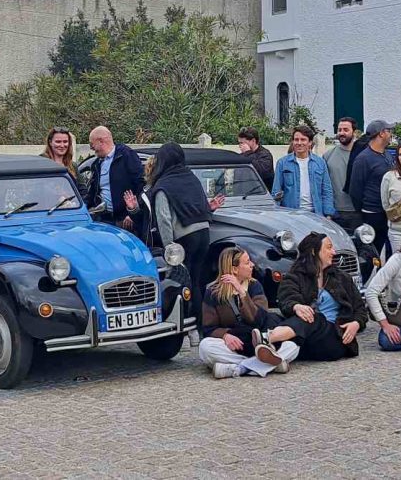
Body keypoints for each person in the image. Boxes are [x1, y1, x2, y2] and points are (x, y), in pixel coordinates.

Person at [198, 247, 297, 378]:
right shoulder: (213, 292)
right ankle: (266, 365)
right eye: (247, 262)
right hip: (235, 344)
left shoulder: (255, 286)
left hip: (260, 342)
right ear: (234, 269)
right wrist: (225, 335)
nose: (252, 265)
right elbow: (208, 328)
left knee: (293, 346)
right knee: (205, 347)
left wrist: (242, 293)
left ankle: (238, 368)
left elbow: (259, 320)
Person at [269, 232, 366, 362]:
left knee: (312, 317)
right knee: (271, 318)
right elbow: (287, 298)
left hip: (333, 339)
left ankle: (267, 338)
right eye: (329, 247)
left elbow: (361, 309)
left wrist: (356, 324)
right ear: (314, 251)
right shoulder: (295, 276)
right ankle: (271, 359)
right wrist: (296, 306)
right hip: (306, 337)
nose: (334, 252)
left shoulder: (342, 278)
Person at [149, 143, 214, 327]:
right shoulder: (191, 178)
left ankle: (187, 325)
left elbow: (164, 219)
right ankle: (203, 325)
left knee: (183, 282)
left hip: (184, 238)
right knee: (198, 280)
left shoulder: (163, 185)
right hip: (204, 232)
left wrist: (170, 249)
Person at [85, 126, 148, 241]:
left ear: (101, 141)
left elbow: (141, 184)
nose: (91, 148)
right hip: (103, 220)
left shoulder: (126, 155)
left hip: (124, 220)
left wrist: (133, 213)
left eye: (91, 144)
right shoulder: (96, 164)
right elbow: (92, 193)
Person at [348, 120, 395, 255]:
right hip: (372, 214)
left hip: (388, 212)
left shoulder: (386, 154)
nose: (391, 134)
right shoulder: (363, 159)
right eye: (388, 131)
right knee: (371, 253)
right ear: (381, 133)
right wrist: (363, 210)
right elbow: (355, 190)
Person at [272, 126, 336, 218]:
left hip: (316, 214)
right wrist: (277, 214)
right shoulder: (282, 163)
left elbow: (326, 190)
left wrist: (328, 214)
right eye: (296, 140)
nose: (299, 143)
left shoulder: (320, 163)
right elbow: (276, 191)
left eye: (303, 139)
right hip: (291, 215)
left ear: (310, 142)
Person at [323, 117, 361, 230]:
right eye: (339, 130)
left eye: (345, 130)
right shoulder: (328, 155)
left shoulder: (363, 155)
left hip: (358, 212)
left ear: (354, 132)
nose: (341, 133)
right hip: (335, 212)